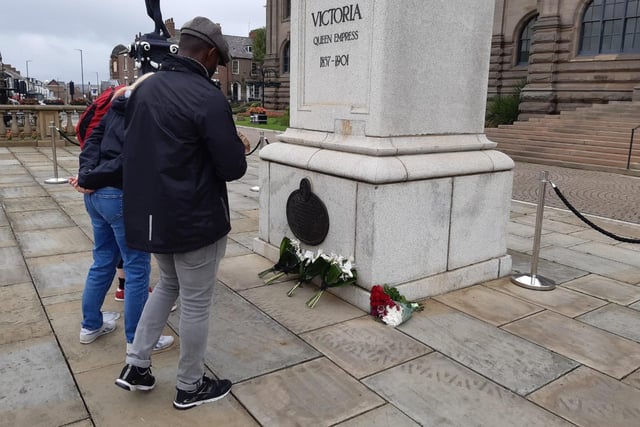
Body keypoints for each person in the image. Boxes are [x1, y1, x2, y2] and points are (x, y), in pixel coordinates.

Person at [114, 16, 248, 410]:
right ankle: (190, 385)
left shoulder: (144, 88)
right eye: (218, 61)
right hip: (194, 218)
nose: (216, 68)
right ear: (207, 53)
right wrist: (239, 148)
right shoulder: (207, 97)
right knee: (194, 301)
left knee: (168, 286)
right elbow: (233, 168)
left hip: (154, 215)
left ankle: (136, 364)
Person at [69, 76, 174, 352]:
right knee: (137, 268)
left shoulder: (115, 109)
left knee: (102, 260)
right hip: (119, 197)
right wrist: (91, 177)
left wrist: (88, 175)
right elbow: (129, 160)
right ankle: (137, 342)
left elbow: (91, 143)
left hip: (96, 198)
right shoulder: (146, 117)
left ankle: (90, 325)